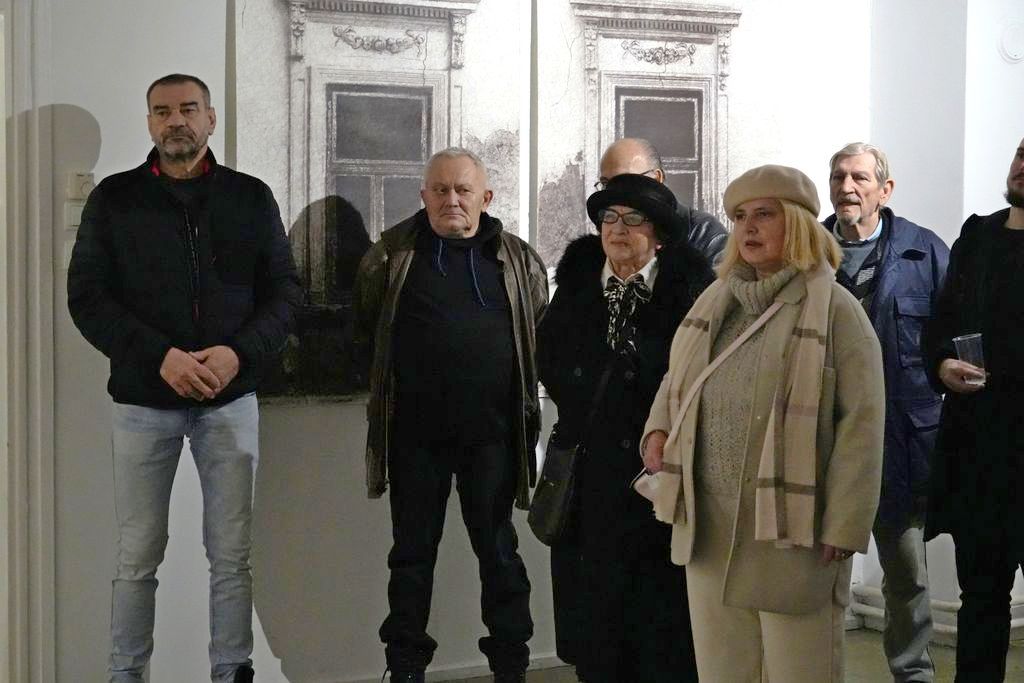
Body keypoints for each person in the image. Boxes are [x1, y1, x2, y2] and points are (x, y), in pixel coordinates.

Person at [67, 73, 302, 683]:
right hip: (144, 402)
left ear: (211, 118)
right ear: (149, 122)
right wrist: (160, 357)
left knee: (231, 555)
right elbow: (87, 298)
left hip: (230, 400)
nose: (176, 120)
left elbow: (284, 293)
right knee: (137, 555)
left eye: (188, 109)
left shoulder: (250, 197)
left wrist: (236, 355)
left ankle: (232, 671)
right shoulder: (114, 199)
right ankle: (126, 674)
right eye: (162, 111)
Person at [640, 165, 885, 682]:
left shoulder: (837, 311)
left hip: (792, 530)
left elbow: (862, 426)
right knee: (723, 670)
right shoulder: (717, 300)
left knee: (800, 670)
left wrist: (844, 524)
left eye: (764, 214)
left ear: (796, 222)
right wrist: (659, 430)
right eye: (739, 216)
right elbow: (680, 376)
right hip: (708, 522)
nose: (748, 227)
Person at [352, 147, 548, 683]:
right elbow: (365, 332)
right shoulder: (391, 256)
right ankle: (405, 667)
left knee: (500, 555)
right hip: (414, 440)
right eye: (440, 190)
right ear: (424, 196)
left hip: (495, 439)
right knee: (411, 558)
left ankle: (511, 666)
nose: (451, 200)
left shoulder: (519, 260)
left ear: (486, 197)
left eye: (463, 190)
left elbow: (540, 331)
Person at [537, 174, 712, 682]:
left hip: (658, 471)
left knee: (660, 615)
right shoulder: (577, 286)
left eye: (634, 219)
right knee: (596, 613)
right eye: (609, 218)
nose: (618, 229)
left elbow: (697, 374)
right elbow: (550, 357)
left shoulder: (690, 293)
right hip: (589, 471)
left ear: (659, 235)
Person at [823, 142, 948, 682]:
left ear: (885, 190)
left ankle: (912, 674)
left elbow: (957, 333)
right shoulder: (807, 253)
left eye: (859, 178)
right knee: (815, 574)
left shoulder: (925, 252)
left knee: (906, 573)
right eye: (838, 177)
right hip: (823, 442)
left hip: (899, 443)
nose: (847, 187)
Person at [922, 136, 1024, 683]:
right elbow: (941, 325)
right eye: (1023, 153)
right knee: (981, 599)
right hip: (980, 454)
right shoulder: (978, 236)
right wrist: (942, 364)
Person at [597, 138, 728, 264]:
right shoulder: (607, 231)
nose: (613, 192)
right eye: (606, 184)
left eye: (625, 181)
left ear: (656, 178)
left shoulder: (704, 235)